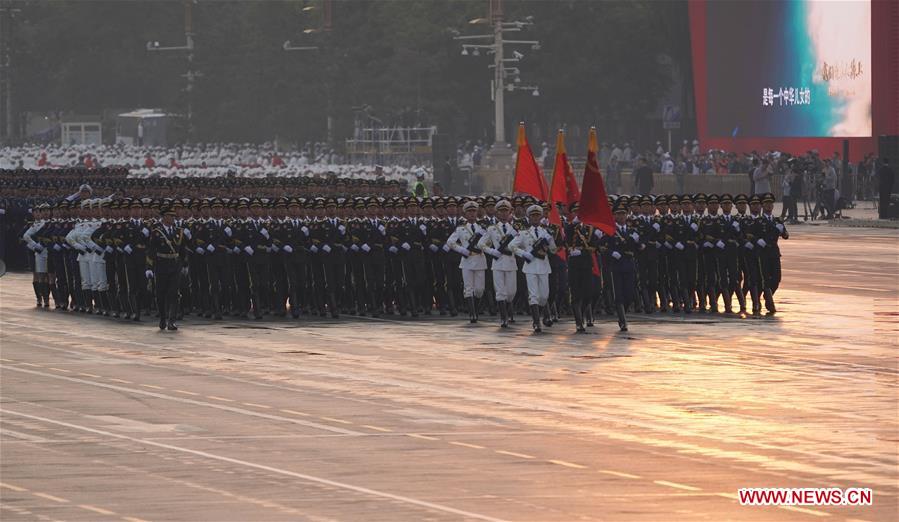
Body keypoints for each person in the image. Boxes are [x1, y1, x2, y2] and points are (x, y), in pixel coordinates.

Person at [509, 204, 556, 333]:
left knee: (544, 296)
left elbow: (553, 250)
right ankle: (536, 322)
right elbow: (511, 246)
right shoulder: (524, 233)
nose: (535, 218)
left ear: (541, 217)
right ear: (528, 217)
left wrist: (551, 240)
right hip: (530, 267)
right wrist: (524, 254)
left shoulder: (546, 232)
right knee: (534, 295)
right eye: (532, 216)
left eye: (537, 215)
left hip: (544, 266)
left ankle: (543, 315)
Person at [477, 199, 519, 328]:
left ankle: (509, 310)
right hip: (498, 263)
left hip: (511, 262)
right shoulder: (492, 229)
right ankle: (503, 317)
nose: (504, 213)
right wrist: (492, 251)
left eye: (506, 211)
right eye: (501, 211)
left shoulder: (515, 229)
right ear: (497, 213)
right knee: (500, 292)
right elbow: (480, 244)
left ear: (510, 212)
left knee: (511, 292)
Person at [446, 200, 487, 323]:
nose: (472, 214)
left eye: (474, 211)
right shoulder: (461, 229)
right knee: (468, 288)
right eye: (469, 212)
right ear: (465, 214)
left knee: (479, 290)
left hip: (480, 259)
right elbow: (450, 242)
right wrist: (462, 250)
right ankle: (472, 313)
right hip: (467, 260)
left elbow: (489, 241)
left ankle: (476, 309)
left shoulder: (483, 228)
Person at [146, 205, 184, 330]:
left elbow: (182, 249)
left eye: (173, 216)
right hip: (161, 265)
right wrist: (149, 267)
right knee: (160, 293)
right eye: (170, 216)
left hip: (175, 265)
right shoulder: (156, 232)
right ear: (164, 217)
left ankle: (171, 321)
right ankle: (163, 318)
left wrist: (185, 264)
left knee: (174, 293)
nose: (173, 218)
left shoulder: (179, 231)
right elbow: (151, 250)